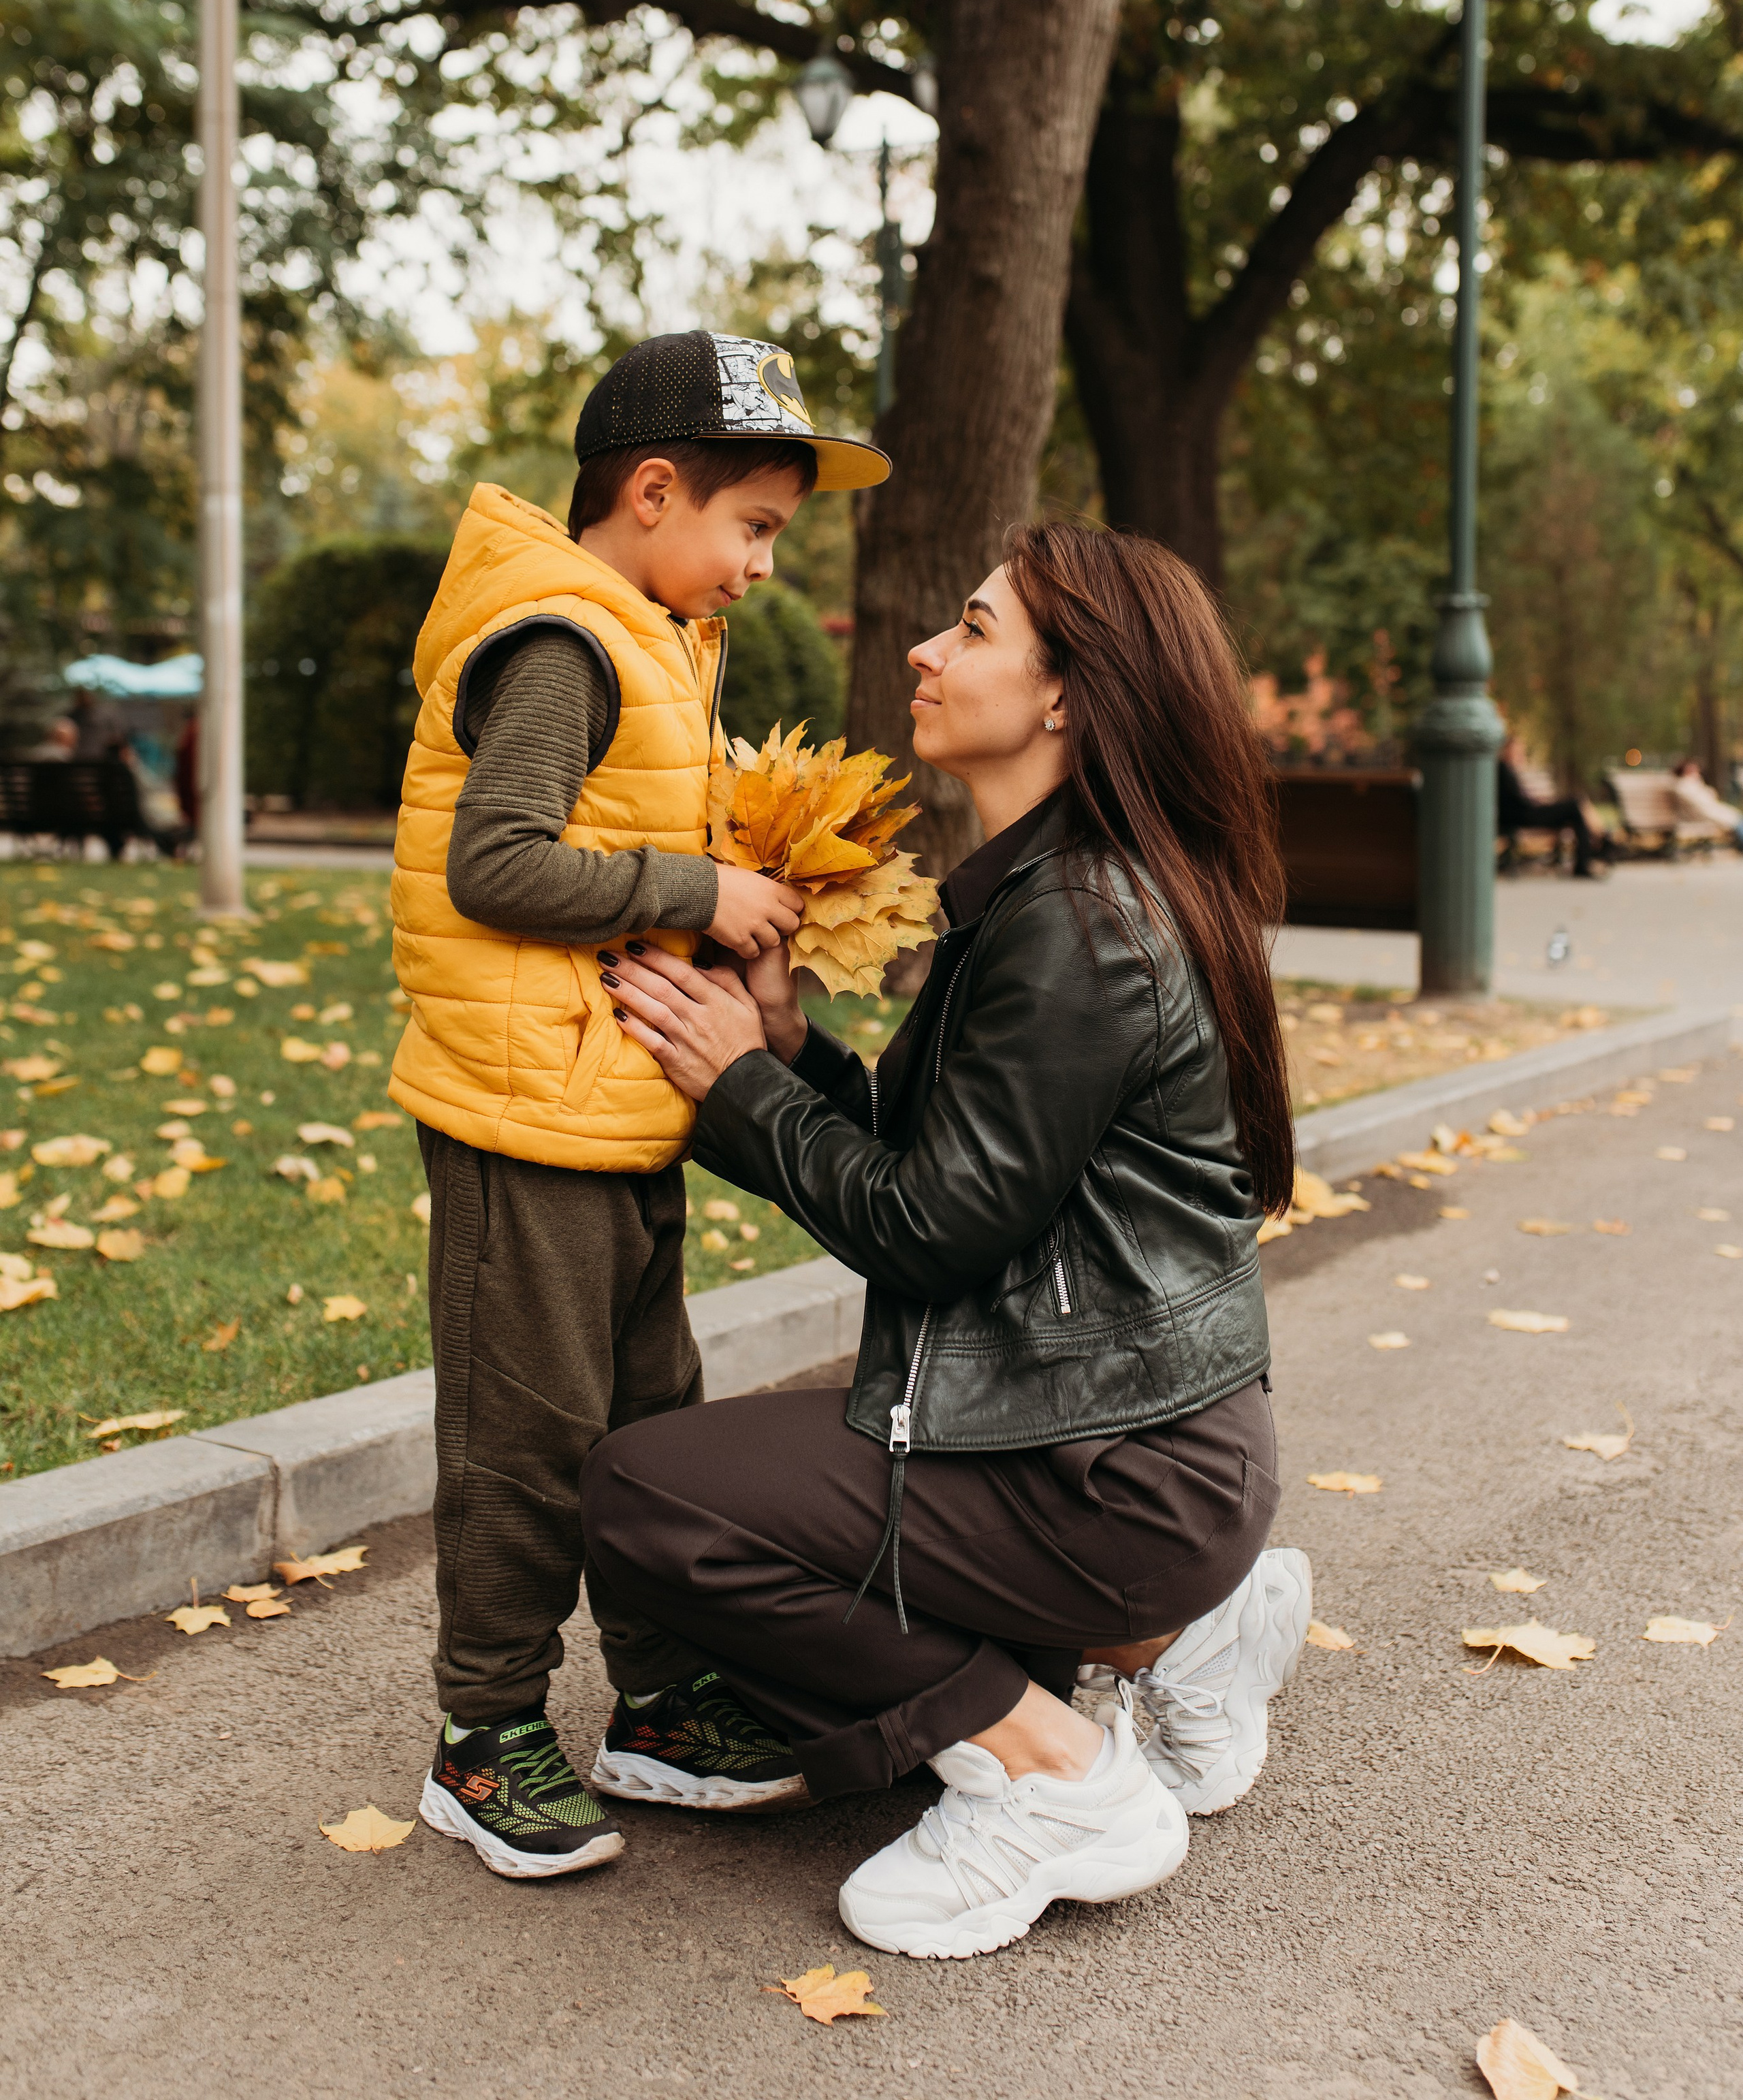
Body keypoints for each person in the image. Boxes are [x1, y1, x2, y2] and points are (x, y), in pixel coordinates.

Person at [582, 522, 1314, 1962]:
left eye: (971, 629)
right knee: (858, 1654)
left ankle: (1057, 1779)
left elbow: (928, 1231)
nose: (922, 650)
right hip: (1133, 1452)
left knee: (645, 1503)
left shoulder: (1079, 924)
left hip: (1109, 1473)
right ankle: (1171, 1644)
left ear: (1063, 697)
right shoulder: (1060, 888)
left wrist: (733, 1083)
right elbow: (969, 1172)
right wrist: (788, 1050)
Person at [391, 330, 889, 1882]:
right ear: (654, 490)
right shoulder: (564, 640)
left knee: (648, 1423)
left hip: (616, 1096)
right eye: (752, 527)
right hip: (519, 1105)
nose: (758, 567)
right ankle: (484, 1736)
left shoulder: (653, 636)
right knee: (527, 1440)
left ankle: (663, 1704)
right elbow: (499, 861)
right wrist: (701, 884)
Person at [1496, 734, 1605, 878]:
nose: (1520, 753)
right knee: (1575, 805)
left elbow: (1519, 799)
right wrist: (1539, 803)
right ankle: (1600, 846)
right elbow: (1518, 802)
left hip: (1527, 813)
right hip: (1524, 816)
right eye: (1517, 749)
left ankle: (1590, 856)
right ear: (1507, 750)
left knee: (1576, 808)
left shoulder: (1508, 770)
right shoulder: (1503, 769)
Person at [1671, 757, 1743, 852]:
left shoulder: (1693, 784)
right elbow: (1702, 803)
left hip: (1711, 812)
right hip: (1704, 815)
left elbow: (1711, 796)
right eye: (1692, 770)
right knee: (1737, 822)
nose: (1696, 772)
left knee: (1738, 821)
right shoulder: (1685, 786)